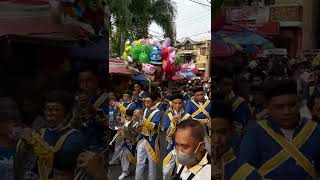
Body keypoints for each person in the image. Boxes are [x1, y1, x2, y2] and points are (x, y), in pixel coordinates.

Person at [237, 80, 320, 179]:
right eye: (279, 107)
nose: (287, 112)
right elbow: (244, 171)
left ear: (299, 103)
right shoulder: (255, 133)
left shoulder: (315, 130)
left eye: (292, 105)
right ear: (268, 108)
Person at [20, 90, 86, 180]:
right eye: (47, 109)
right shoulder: (40, 133)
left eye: (56, 109)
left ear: (67, 114)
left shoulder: (75, 137)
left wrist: (33, 141)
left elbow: (60, 160)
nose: (50, 113)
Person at [163, 93, 192, 180]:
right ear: (172, 104)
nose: (177, 105)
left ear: (183, 103)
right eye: (175, 103)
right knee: (166, 170)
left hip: (184, 146)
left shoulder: (187, 116)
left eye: (180, 103)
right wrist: (172, 123)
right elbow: (167, 132)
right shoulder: (168, 115)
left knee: (182, 171)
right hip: (171, 145)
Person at [134, 93, 162, 180]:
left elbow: (153, 126)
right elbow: (140, 124)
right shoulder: (145, 110)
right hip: (142, 139)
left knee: (151, 164)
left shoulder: (158, 112)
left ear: (154, 102)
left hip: (152, 140)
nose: (146, 103)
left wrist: (141, 118)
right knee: (139, 162)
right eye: (145, 101)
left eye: (148, 101)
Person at [185, 87, 211, 154]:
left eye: (201, 94)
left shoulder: (209, 102)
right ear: (194, 96)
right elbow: (186, 115)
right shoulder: (190, 103)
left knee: (208, 145)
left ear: (204, 94)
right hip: (195, 126)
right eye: (198, 95)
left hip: (208, 127)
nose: (200, 97)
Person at [117, 108, 138, 180]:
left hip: (133, 142)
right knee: (123, 154)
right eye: (126, 116)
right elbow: (121, 131)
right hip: (124, 141)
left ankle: (134, 171)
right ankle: (125, 170)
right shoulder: (125, 121)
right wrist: (120, 129)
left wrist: (128, 128)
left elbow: (135, 134)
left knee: (132, 157)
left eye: (129, 116)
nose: (127, 118)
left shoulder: (136, 122)